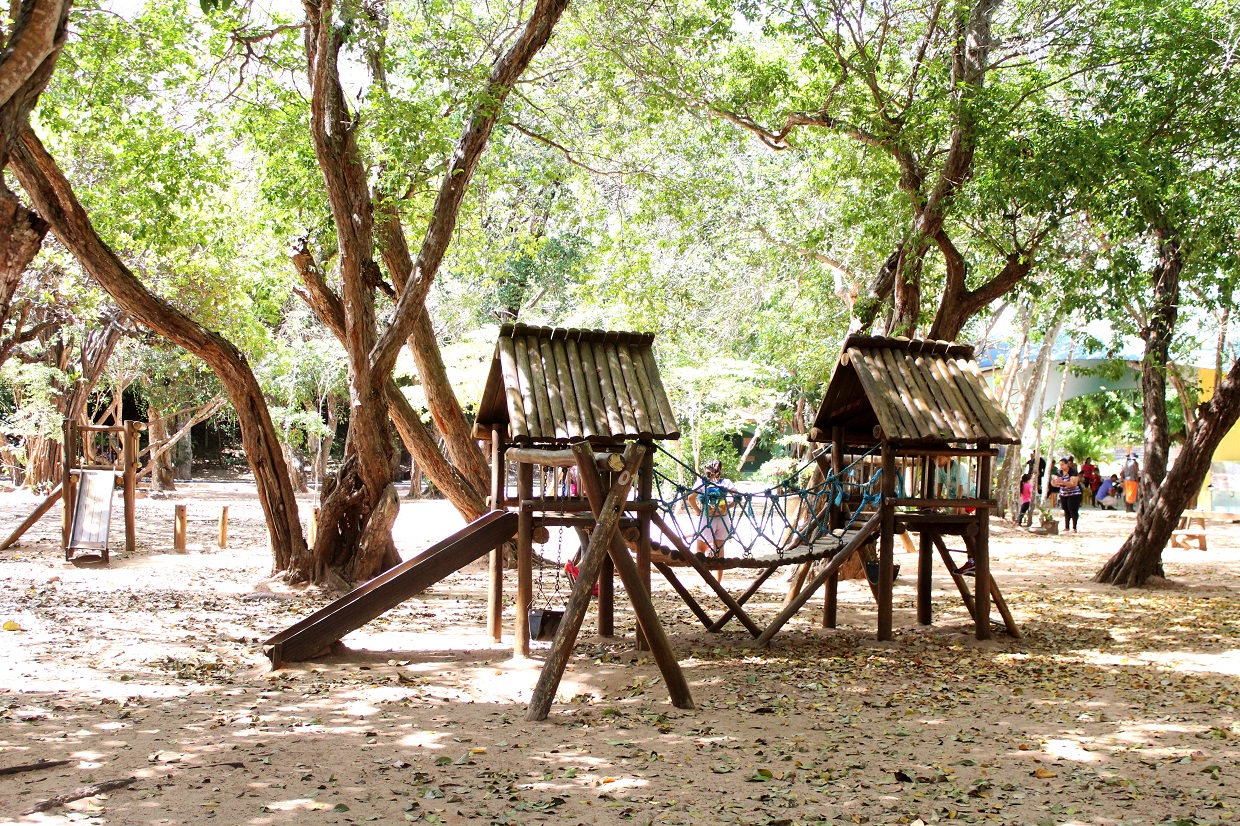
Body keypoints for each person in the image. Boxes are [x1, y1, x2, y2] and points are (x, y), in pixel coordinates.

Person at [688, 459, 735, 578]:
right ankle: (717, 584)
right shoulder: (726, 482)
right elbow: (738, 498)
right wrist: (727, 507)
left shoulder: (702, 482)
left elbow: (690, 498)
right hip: (723, 520)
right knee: (719, 551)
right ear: (720, 470)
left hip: (707, 519)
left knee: (700, 549)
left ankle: (705, 579)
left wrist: (698, 511)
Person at [1051, 457, 1083, 532]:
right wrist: (1055, 481)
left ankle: (1074, 527)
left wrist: (1062, 482)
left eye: (1062, 465)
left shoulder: (1073, 472)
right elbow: (1054, 481)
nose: (1061, 467)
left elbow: (1073, 484)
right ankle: (1066, 526)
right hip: (1064, 494)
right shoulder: (1059, 472)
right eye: (1060, 465)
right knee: (1066, 510)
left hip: (1074, 494)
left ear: (1067, 464)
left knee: (1073, 510)